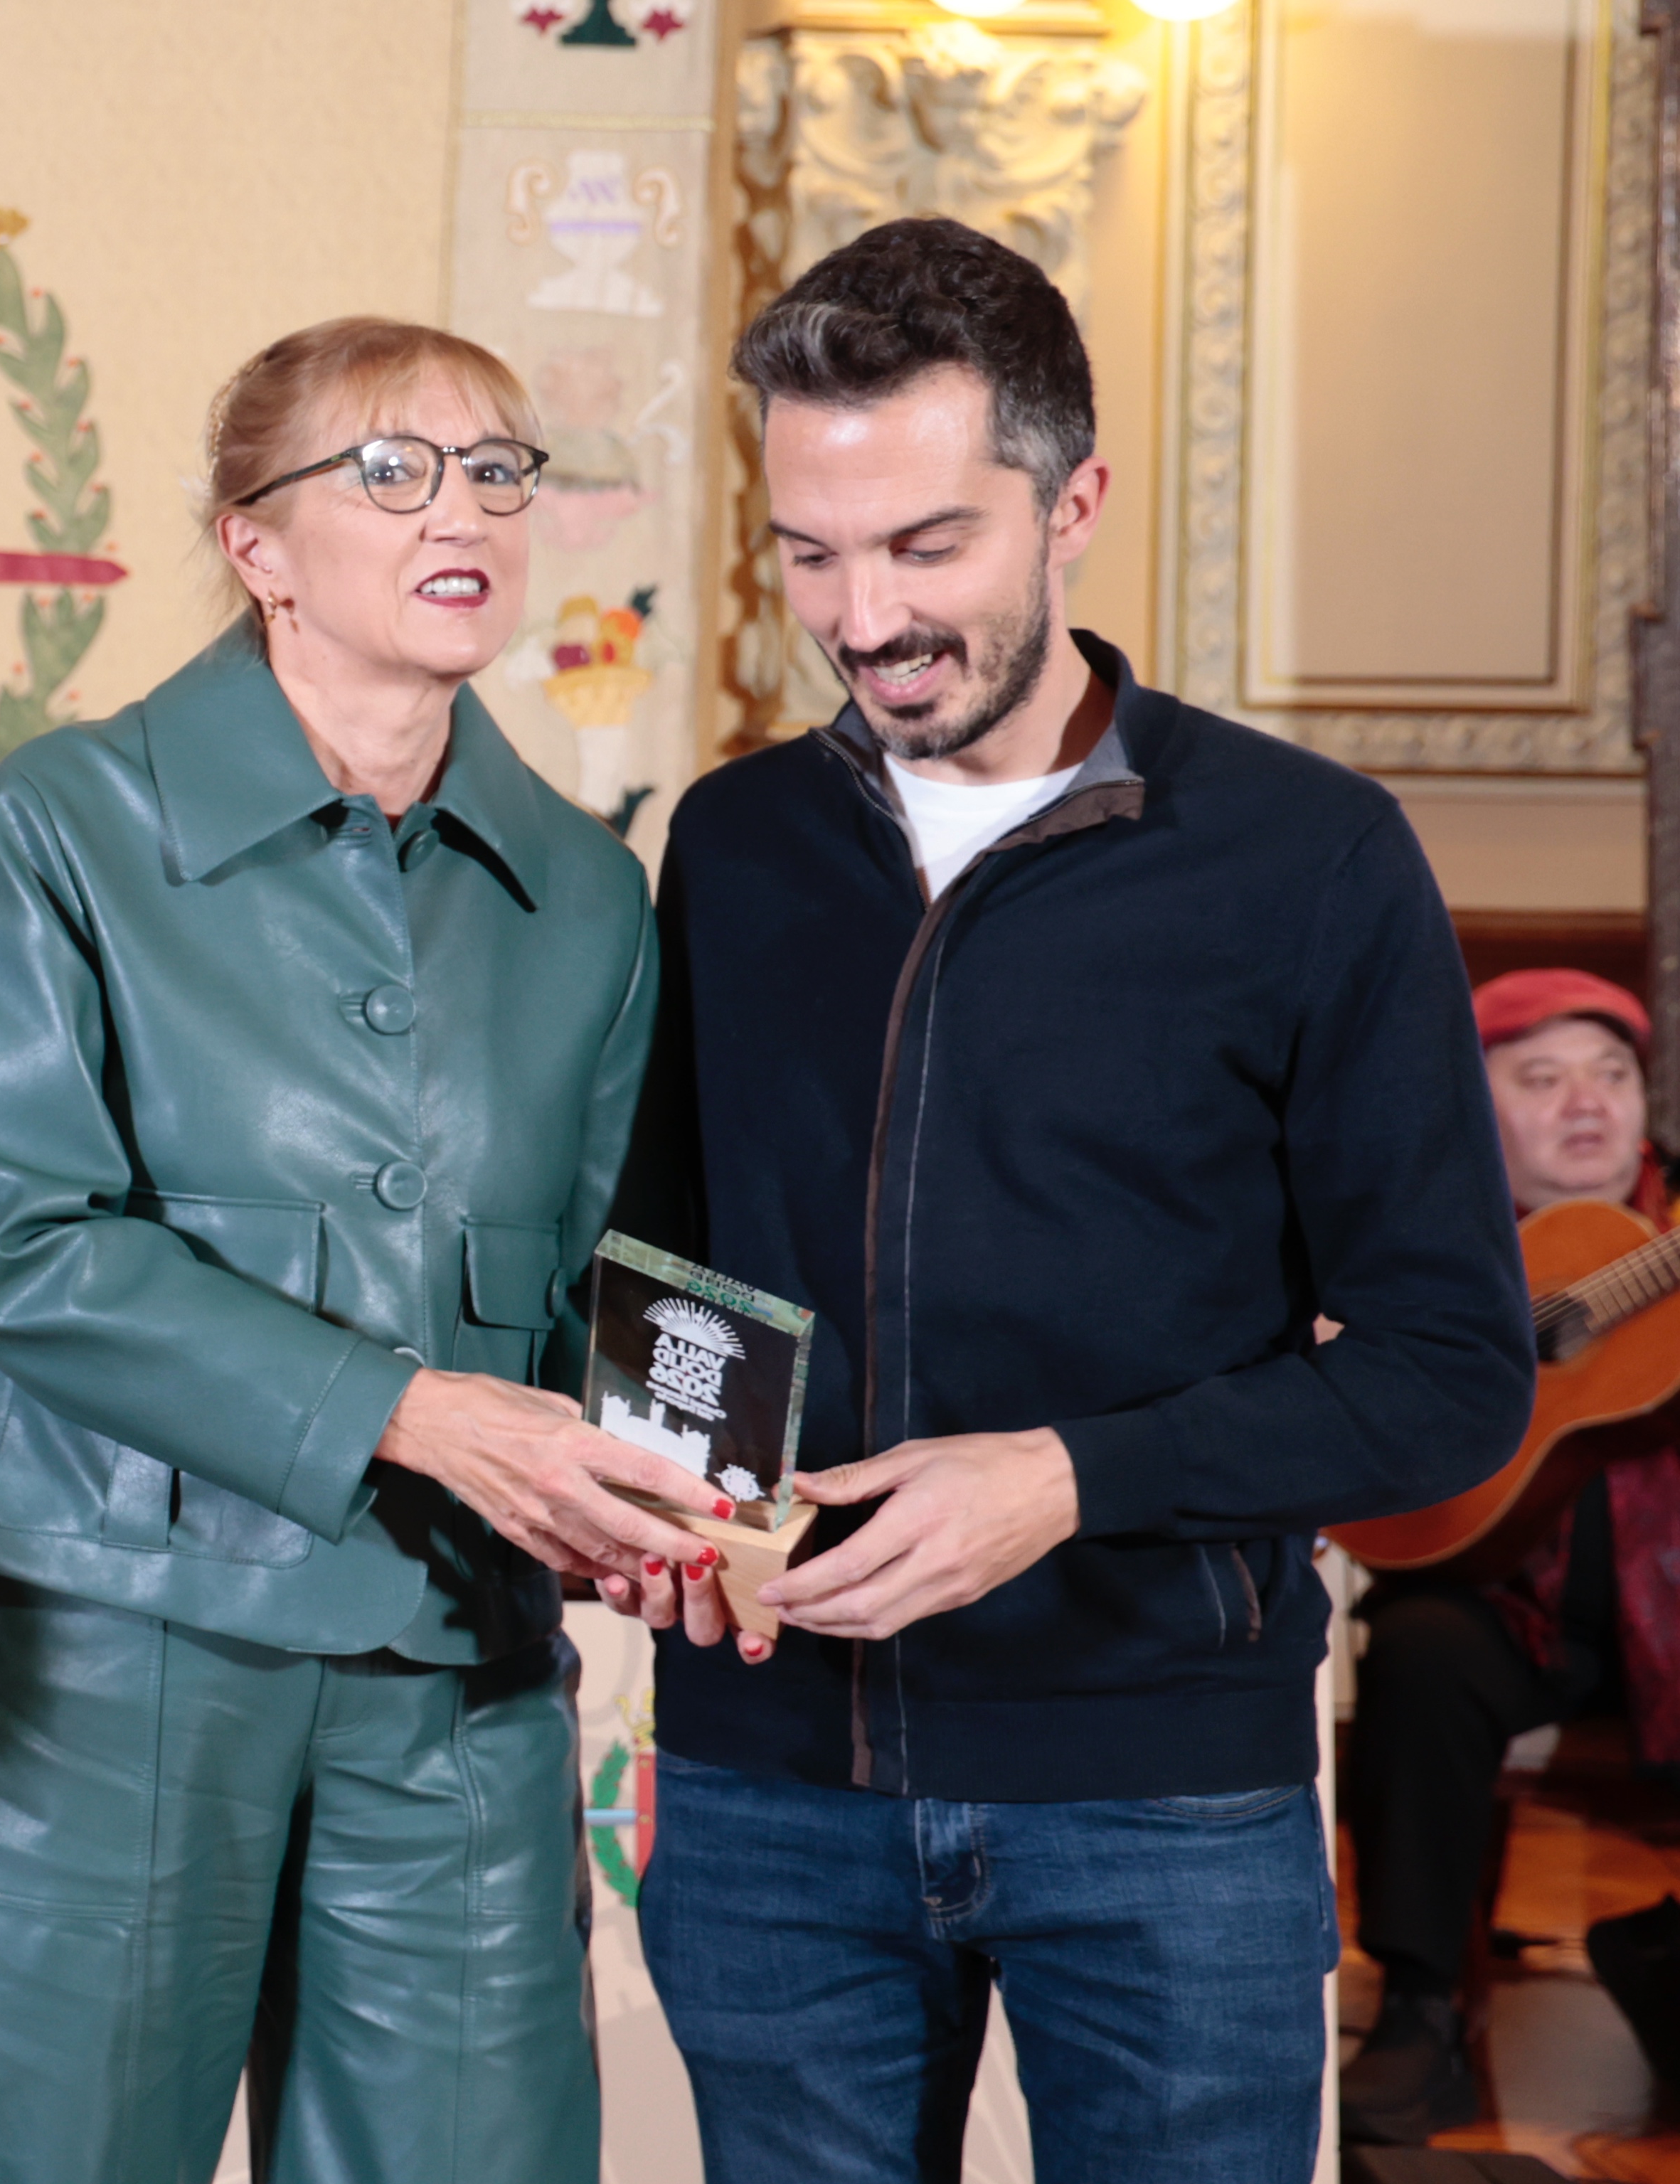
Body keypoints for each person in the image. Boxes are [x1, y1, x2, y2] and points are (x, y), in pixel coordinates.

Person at [612, 216, 1532, 2182]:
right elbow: (663, 1271)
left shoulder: (1307, 858)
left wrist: (1059, 1476)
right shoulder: (733, 841)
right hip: (767, 1792)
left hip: (1163, 1803)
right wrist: (653, 1501)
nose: (860, 617)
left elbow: (1449, 1372)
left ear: (1071, 503)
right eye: (810, 552)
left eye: (924, 543)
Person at [0, 316, 729, 2184]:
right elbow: (29, 1248)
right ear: (253, 542)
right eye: (392, 467)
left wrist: (690, 1497)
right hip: (112, 1647)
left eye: (498, 468)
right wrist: (409, 1408)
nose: (466, 510)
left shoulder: (583, 886)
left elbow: (609, 1275)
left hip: (459, 1656)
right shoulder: (70, 816)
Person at [1341, 967, 1680, 2143]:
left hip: (1672, 1619)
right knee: (1419, 1652)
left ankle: (1663, 1941)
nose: (1587, 1103)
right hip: (1512, 1612)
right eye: (1541, 1078)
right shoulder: (1414, 1245)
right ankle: (1419, 2012)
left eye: (1614, 1073)